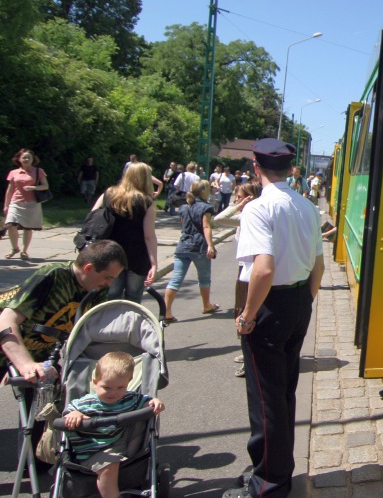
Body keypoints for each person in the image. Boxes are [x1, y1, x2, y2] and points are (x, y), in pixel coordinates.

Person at [225, 138, 323, 498]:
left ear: (256, 167)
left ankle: (267, 484)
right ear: (291, 169)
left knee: (265, 400)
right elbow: (319, 265)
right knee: (284, 394)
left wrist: (248, 315)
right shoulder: (307, 206)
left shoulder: (258, 209)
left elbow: (262, 271)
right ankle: (276, 469)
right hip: (297, 300)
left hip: (270, 305)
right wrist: (304, 302)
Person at [0, 240, 127, 378]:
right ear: (88, 268)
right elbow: (5, 322)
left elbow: (93, 333)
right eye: (107, 277)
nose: (110, 284)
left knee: (50, 390)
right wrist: (25, 364)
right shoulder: (53, 276)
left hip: (39, 350)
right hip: (8, 339)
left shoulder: (98, 289)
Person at [62, 351, 165, 498]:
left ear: (128, 383)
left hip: (117, 444)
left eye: (120, 388)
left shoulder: (130, 399)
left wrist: (155, 402)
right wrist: (74, 414)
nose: (113, 393)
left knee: (110, 465)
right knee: (108, 469)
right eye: (107, 387)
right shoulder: (85, 403)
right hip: (90, 448)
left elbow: (147, 401)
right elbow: (69, 411)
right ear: (95, 382)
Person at [213, 181, 260, 378]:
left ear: (250, 197)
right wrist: (240, 205)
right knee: (241, 309)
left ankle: (250, 359)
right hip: (244, 268)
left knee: (245, 311)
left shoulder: (249, 217)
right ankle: (246, 352)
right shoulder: (247, 216)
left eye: (240, 197)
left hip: (250, 270)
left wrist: (241, 207)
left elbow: (219, 218)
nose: (236, 200)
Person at [95, 162, 158, 303]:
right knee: (133, 297)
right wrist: (154, 263)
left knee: (111, 296)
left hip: (110, 253)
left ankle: (111, 324)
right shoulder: (146, 202)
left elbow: (93, 217)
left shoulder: (109, 194)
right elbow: (149, 236)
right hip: (137, 257)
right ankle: (129, 324)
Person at [162, 180, 219, 322]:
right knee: (204, 278)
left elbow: (183, 226)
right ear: (204, 191)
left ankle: (166, 312)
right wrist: (210, 245)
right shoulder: (206, 207)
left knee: (175, 279)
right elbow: (206, 227)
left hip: (183, 246)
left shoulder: (184, 207)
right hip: (199, 246)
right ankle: (206, 305)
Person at [4, 148, 50, 260]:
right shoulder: (13, 172)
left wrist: (33, 187)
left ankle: (24, 251)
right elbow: (10, 190)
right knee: (10, 224)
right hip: (16, 202)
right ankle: (15, 248)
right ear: (19, 159)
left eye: (29, 157)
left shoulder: (38, 171)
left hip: (32, 203)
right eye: (24, 157)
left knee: (28, 228)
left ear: (33, 159)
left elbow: (45, 186)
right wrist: (6, 205)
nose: (26, 159)